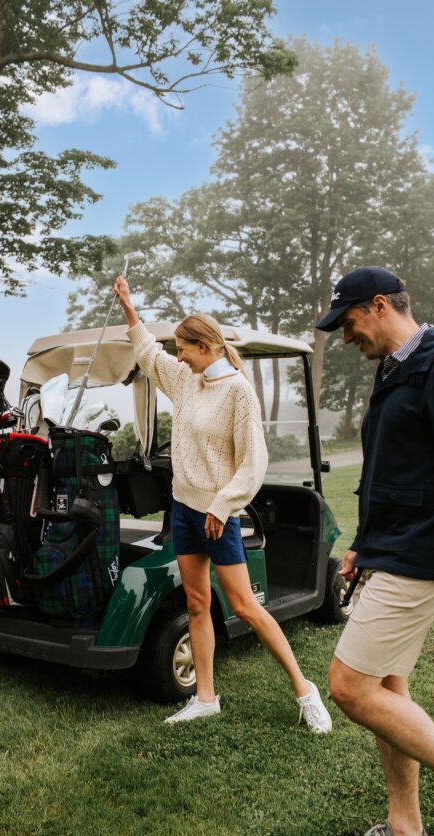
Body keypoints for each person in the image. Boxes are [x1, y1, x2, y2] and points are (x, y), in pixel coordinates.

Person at [114, 275, 332, 733]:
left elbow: (254, 461)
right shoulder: (185, 380)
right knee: (196, 603)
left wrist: (223, 505)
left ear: (206, 345)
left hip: (218, 517)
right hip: (184, 511)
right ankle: (206, 697)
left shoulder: (238, 393)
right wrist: (129, 308)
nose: (177, 355)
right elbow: (149, 355)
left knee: (247, 608)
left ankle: (305, 690)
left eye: (184, 348)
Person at [315, 266, 434, 836]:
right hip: (395, 547)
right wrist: (365, 542)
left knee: (350, 687)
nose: (345, 336)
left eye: (349, 322)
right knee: (387, 684)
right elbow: (395, 470)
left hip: (424, 554)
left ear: (380, 305)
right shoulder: (397, 368)